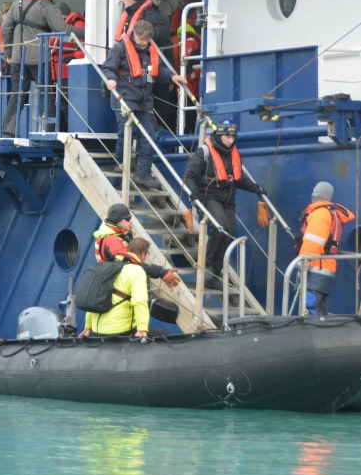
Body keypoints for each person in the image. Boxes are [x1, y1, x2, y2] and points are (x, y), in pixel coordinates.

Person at [102, 20, 186, 189]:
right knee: (127, 132)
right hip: (124, 97)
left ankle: (143, 174)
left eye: (147, 40)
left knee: (149, 135)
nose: (143, 43)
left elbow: (159, 71)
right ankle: (121, 165)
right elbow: (107, 68)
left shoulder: (150, 50)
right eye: (141, 40)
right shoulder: (119, 49)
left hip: (145, 100)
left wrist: (172, 76)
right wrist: (110, 79)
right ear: (134, 34)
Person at [182, 119, 265, 289]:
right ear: (219, 135)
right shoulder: (204, 152)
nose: (230, 140)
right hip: (208, 196)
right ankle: (207, 269)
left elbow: (238, 179)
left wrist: (256, 188)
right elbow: (189, 176)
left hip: (228, 200)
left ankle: (215, 273)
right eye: (227, 136)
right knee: (220, 227)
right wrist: (194, 193)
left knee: (229, 233)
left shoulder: (233, 153)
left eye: (233, 137)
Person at [0, 0, 84, 136]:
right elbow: (63, 29)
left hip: (18, 58)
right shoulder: (46, 5)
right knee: (46, 93)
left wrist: (8, 52)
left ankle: (8, 132)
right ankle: (48, 131)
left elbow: (5, 28)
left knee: (17, 94)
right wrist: (89, 31)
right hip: (38, 58)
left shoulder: (18, 2)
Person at [117, 0, 178, 131]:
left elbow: (163, 32)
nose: (123, 0)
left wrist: (142, 39)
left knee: (160, 108)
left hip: (152, 66)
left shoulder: (150, 14)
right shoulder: (131, 12)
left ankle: (162, 136)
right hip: (137, 71)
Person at [297, 181, 356, 315]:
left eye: (315, 191)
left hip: (315, 270)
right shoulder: (329, 213)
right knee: (320, 312)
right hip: (325, 269)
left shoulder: (320, 214)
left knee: (310, 311)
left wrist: (301, 267)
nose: (313, 194)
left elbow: (312, 244)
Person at [94, 202, 182, 288]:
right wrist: (161, 272)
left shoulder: (118, 235)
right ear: (118, 222)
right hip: (115, 287)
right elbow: (130, 263)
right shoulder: (112, 241)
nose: (131, 222)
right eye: (127, 219)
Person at [80, 237, 152, 338]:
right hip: (120, 330)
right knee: (161, 334)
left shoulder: (106, 266)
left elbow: (94, 298)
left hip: (98, 331)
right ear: (143, 254)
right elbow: (140, 301)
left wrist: (88, 327)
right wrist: (142, 329)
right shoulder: (137, 271)